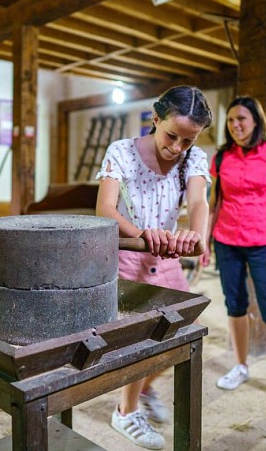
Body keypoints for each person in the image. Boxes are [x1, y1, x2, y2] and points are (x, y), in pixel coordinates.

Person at [96, 85, 213, 450]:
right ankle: (125, 411)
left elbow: (198, 201)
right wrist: (142, 233)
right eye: (172, 136)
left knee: (184, 327)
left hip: (166, 257)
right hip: (129, 254)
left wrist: (197, 235)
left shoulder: (194, 159)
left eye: (188, 141)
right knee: (139, 339)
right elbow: (106, 210)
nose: (177, 147)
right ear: (155, 118)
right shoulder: (122, 152)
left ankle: (142, 388)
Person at [200, 95, 266, 420]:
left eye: (242, 119)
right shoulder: (221, 158)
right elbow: (214, 202)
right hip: (227, 241)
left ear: (256, 121)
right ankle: (241, 365)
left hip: (265, 243)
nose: (236, 125)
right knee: (235, 306)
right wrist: (204, 241)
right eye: (231, 120)